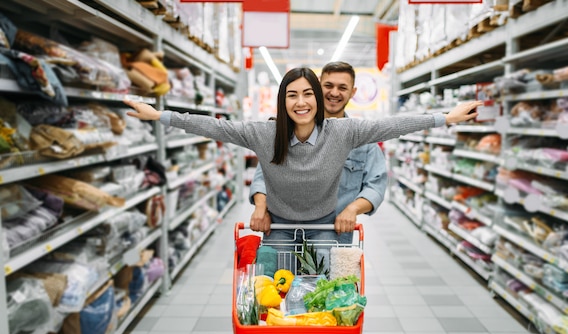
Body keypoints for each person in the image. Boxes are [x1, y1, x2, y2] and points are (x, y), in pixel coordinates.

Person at [124, 67, 481, 240]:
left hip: (327, 228)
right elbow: (216, 126)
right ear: (282, 102)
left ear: (318, 100)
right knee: (272, 299)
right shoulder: (265, 133)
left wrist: (444, 118)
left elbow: (393, 124)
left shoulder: (343, 132)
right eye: (291, 95)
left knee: (321, 298)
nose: (301, 102)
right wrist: (160, 115)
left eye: (308, 94)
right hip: (279, 227)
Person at [249, 62, 386, 244]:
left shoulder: (362, 140)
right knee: (276, 273)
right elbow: (263, 176)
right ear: (317, 88)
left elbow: (376, 185)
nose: (334, 93)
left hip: (332, 236)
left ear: (352, 93)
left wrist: (352, 209)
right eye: (328, 85)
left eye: (342, 87)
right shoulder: (285, 133)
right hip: (283, 231)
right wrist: (261, 207)